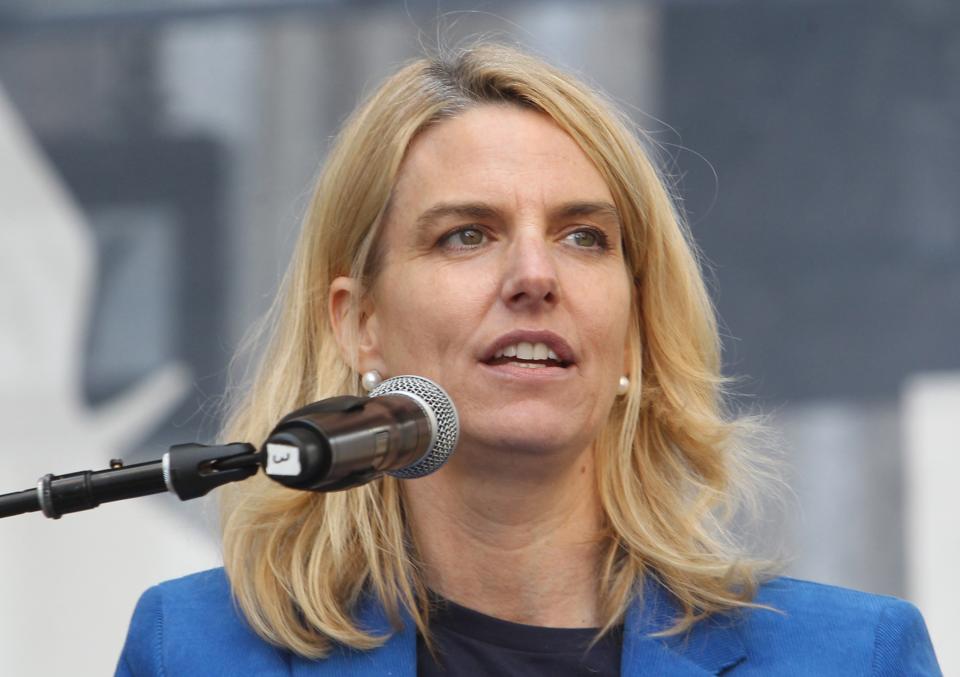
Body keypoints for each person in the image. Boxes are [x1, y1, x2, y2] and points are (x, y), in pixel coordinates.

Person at [116, 42, 941, 676]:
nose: (536, 277)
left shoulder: (851, 655)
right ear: (360, 322)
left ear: (636, 327)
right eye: (466, 234)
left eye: (585, 237)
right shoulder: (198, 648)